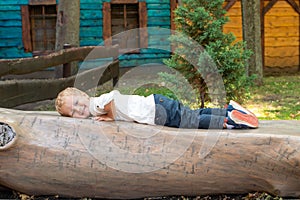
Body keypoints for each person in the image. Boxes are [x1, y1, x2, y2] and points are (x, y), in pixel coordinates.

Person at [55, 87, 259, 129]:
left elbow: (112, 97)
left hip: (156, 111)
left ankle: (228, 122)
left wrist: (109, 114)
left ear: (83, 95)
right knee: (193, 113)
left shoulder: (95, 104)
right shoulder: (93, 106)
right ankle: (229, 110)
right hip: (157, 104)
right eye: (72, 112)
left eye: (76, 103)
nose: (77, 110)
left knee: (190, 121)